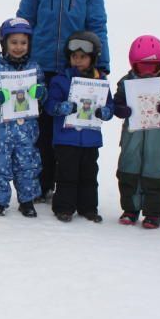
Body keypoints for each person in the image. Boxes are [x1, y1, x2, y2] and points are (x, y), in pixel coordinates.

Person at [16, 0, 110, 202]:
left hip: (75, 69)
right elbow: (24, 21)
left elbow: (97, 26)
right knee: (41, 129)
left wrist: (101, 64)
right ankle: (42, 182)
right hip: (41, 66)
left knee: (68, 129)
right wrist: (18, 58)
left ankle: (68, 183)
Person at [44, 31, 113, 223]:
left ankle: (88, 207)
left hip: (90, 139)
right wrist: (60, 108)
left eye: (83, 57)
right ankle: (64, 207)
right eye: (74, 56)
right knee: (66, 174)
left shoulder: (100, 81)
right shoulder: (60, 80)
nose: (78, 61)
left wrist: (105, 112)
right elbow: (50, 105)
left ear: (93, 58)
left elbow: (110, 105)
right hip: (66, 138)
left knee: (89, 175)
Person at [112, 35, 160, 229]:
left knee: (156, 170)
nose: (148, 72)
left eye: (152, 66)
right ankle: (130, 209)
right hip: (132, 134)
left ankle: (153, 212)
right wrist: (120, 109)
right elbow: (116, 102)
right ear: (134, 64)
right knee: (128, 168)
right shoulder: (126, 81)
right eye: (143, 67)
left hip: (157, 136)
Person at [0, 18, 46, 217]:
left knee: (27, 165)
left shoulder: (34, 68)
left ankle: (27, 200)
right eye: (14, 42)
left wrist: (40, 93)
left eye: (23, 43)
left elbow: (44, 95)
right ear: (4, 44)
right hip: (1, 132)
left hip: (26, 131)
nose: (19, 47)